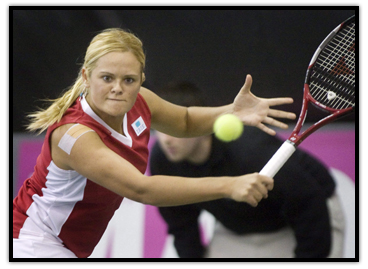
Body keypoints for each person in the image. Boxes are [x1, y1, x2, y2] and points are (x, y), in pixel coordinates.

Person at [12, 28, 296, 258]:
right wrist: (229, 185)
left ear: (141, 80)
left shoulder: (140, 101)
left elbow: (184, 120)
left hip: (66, 247)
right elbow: (142, 189)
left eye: (129, 79)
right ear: (86, 76)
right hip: (32, 242)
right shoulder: (75, 136)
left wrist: (232, 112)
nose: (117, 88)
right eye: (107, 78)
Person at [150, 81, 345, 258]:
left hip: (310, 215)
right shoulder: (162, 159)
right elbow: (182, 226)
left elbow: (308, 201)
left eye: (175, 129)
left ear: (198, 125)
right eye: (160, 128)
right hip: (239, 230)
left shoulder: (249, 150)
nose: (166, 139)